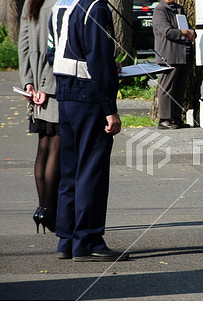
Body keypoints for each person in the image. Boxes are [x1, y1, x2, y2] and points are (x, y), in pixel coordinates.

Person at [47, 0, 129, 261]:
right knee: (92, 170)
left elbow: (51, 52)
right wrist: (110, 108)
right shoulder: (97, 8)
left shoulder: (60, 5)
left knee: (70, 170)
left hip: (66, 92)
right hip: (89, 96)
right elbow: (100, 59)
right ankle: (88, 241)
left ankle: (67, 239)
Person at [18, 0, 60, 234]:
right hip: (53, 83)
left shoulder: (32, 1)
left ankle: (42, 208)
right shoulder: (57, 3)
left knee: (43, 146)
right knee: (56, 147)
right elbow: (55, 46)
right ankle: (50, 210)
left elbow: (23, 43)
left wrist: (28, 82)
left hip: (35, 82)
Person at [152, 0, 196, 129]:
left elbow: (187, 27)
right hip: (169, 54)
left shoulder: (179, 8)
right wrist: (184, 33)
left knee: (179, 88)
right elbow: (166, 31)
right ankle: (164, 119)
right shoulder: (160, 9)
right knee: (167, 88)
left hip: (183, 54)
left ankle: (176, 118)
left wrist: (191, 32)